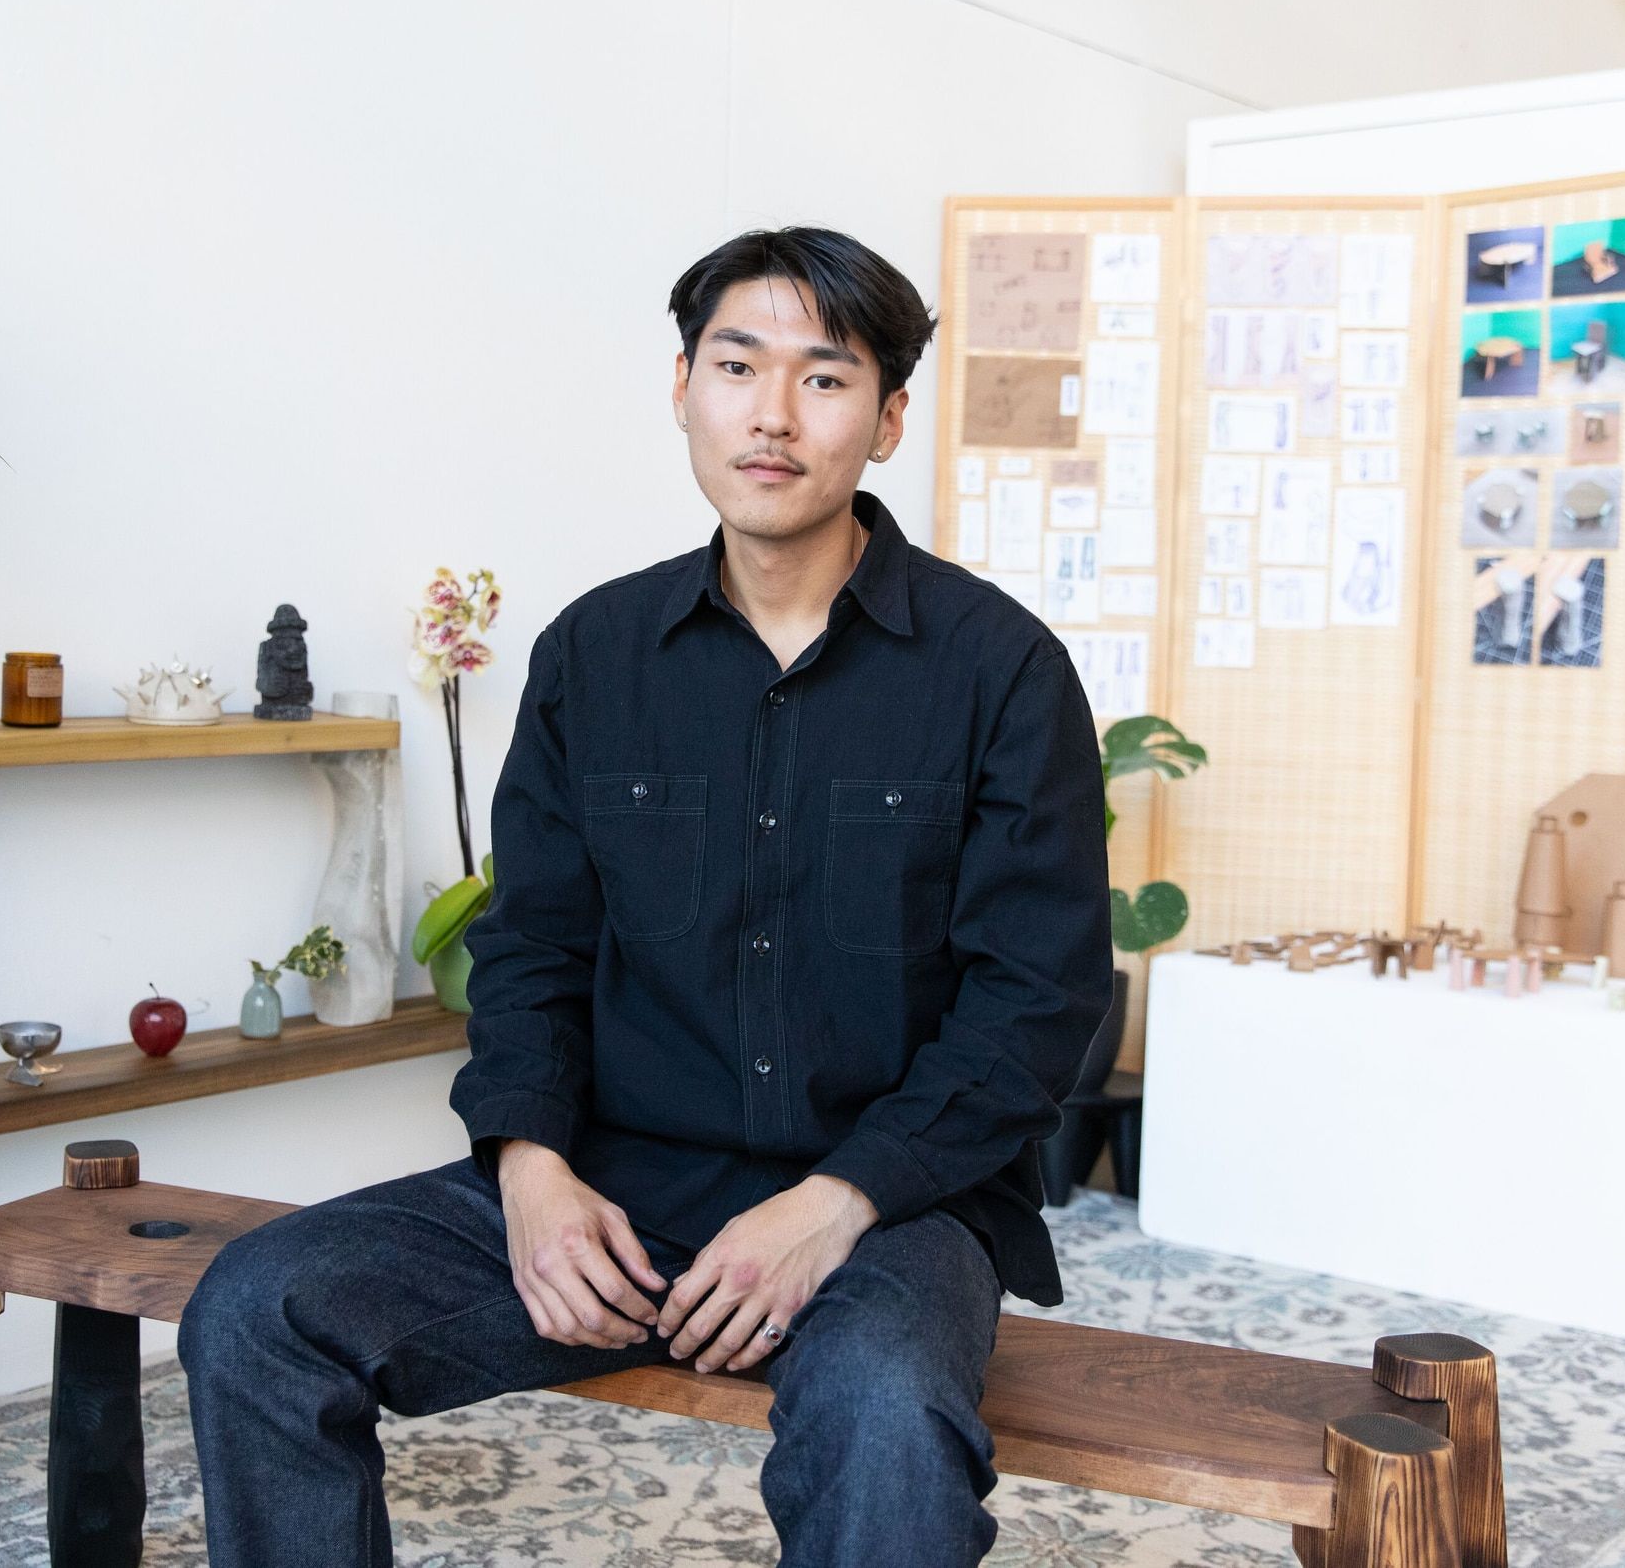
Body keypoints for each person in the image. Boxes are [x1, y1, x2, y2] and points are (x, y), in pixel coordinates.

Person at [179, 226, 1117, 1567]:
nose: (774, 415)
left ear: (891, 418)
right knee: (259, 1308)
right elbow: (533, 952)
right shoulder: (594, 655)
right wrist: (531, 1171)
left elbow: (1036, 1001)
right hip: (617, 1194)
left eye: (826, 378)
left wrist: (831, 1206)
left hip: (889, 1209)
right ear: (683, 387)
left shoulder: (999, 671)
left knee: (885, 1411)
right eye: (738, 366)